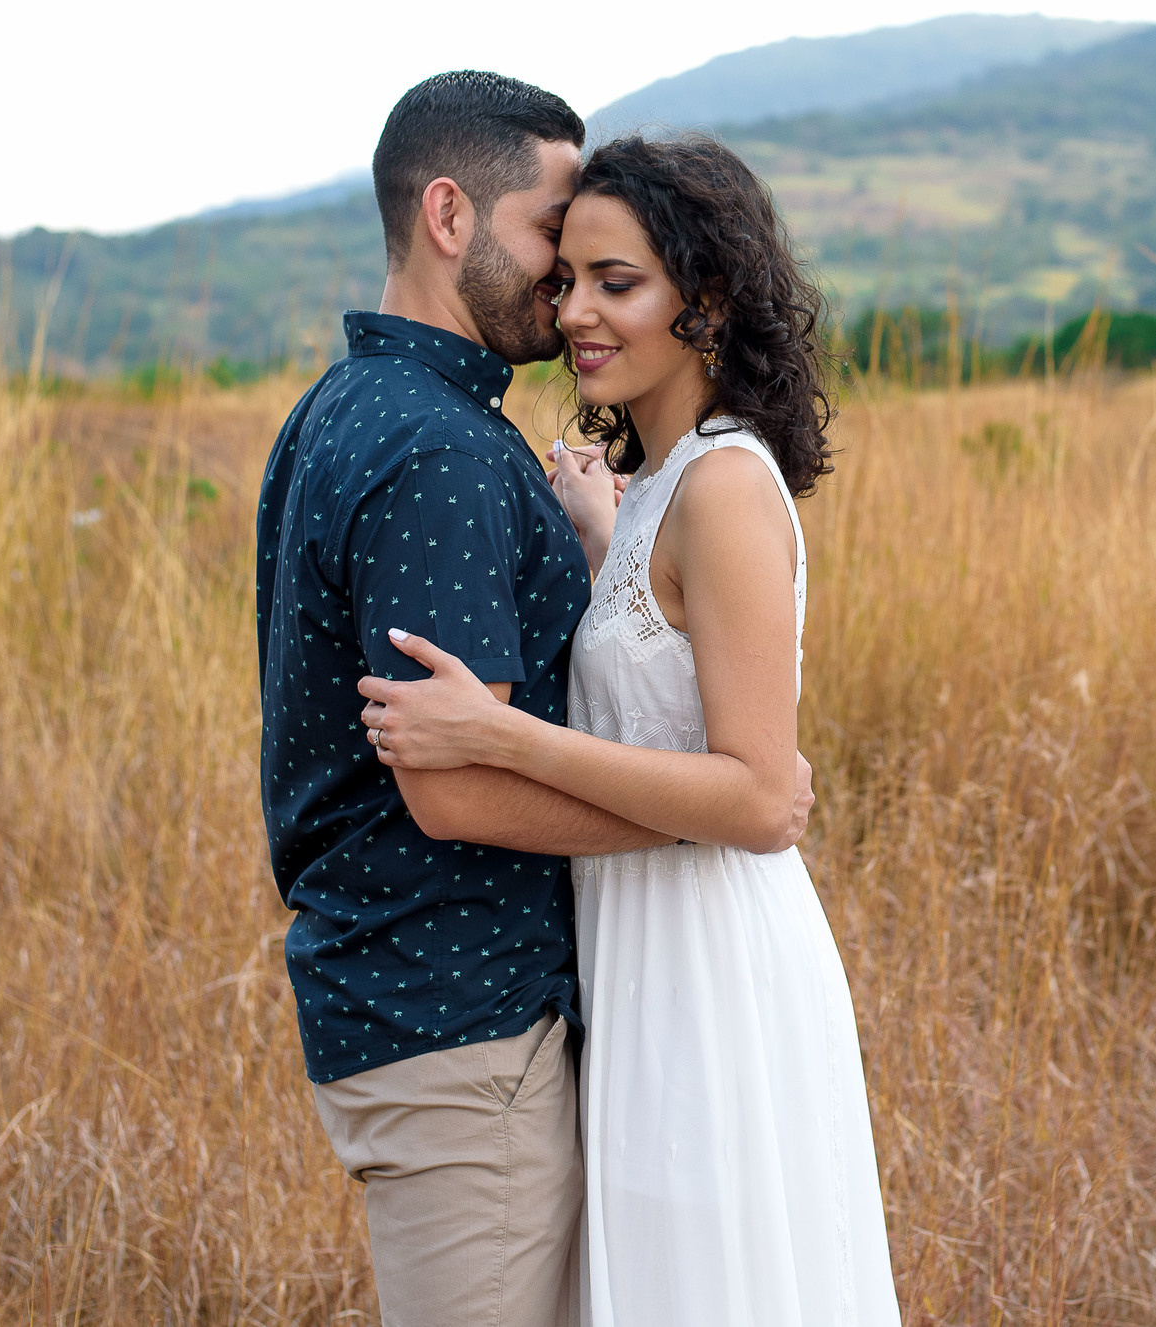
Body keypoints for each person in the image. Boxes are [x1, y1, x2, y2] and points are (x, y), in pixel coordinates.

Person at [255, 73, 813, 1327]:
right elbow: (451, 783)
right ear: (449, 215)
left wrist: (599, 551)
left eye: (604, 275)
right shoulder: (441, 446)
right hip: (463, 1016)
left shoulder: (345, 410)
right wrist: (726, 809)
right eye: (554, 248)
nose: (564, 294)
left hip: (447, 1004)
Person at [359, 134, 904, 1327]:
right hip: (636, 945)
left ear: (703, 302)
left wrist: (504, 740)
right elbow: (663, 660)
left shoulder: (720, 484)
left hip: (711, 960)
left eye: (620, 282)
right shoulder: (656, 482)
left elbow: (762, 796)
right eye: (569, 281)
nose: (578, 314)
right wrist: (606, 546)